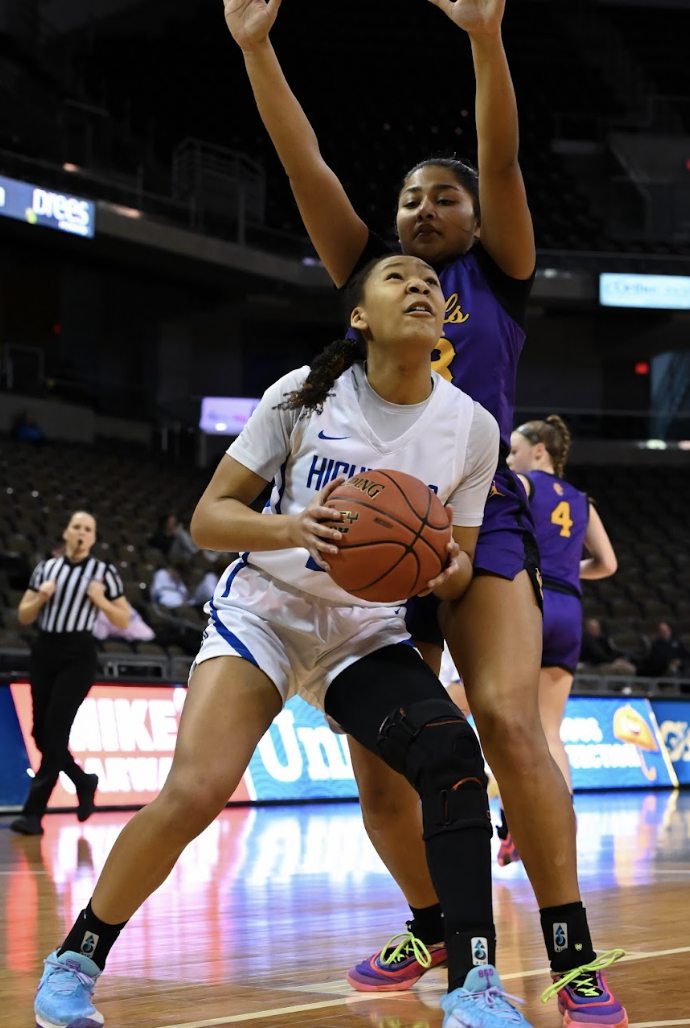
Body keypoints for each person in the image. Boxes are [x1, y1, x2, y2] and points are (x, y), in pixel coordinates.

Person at [223, 0, 628, 1021]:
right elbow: (306, 161)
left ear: (474, 216)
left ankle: (571, 947)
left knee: (503, 717)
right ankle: (437, 920)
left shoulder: (500, 271)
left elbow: (502, 160)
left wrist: (487, 38)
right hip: (373, 528)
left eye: (443, 198)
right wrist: (257, 48)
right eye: (410, 199)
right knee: (383, 773)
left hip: (478, 519)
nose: (423, 209)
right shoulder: (367, 275)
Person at [32, 255, 533, 1028]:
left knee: (451, 755)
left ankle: (473, 980)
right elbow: (209, 519)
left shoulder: (472, 427)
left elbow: (459, 569)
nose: (422, 285)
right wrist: (291, 526)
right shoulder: (305, 393)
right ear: (359, 314)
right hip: (266, 610)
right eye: (397, 276)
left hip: (363, 631)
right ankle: (75, 958)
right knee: (196, 792)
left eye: (433, 283)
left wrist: (446, 565)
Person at [506, 416, 618, 799]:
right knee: (550, 729)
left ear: (538, 451)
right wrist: (567, 568)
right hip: (569, 608)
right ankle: (562, 827)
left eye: (514, 451)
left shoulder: (521, 484)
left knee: (509, 721)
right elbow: (608, 564)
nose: (508, 460)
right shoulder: (582, 500)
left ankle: (511, 819)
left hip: (530, 600)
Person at [11, 511, 130, 836]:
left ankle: (33, 813)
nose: (81, 532)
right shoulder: (46, 569)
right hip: (45, 650)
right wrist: (40, 597)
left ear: (93, 538)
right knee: (39, 733)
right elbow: (22, 616)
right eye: (76, 526)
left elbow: (123, 619)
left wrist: (100, 600)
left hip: (78, 655)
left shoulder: (104, 572)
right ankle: (82, 780)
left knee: (54, 732)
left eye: (88, 529)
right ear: (66, 533)